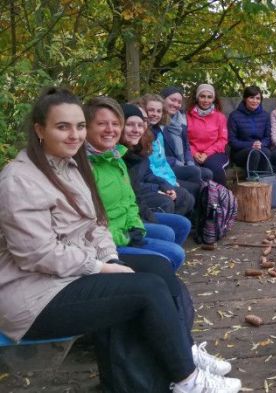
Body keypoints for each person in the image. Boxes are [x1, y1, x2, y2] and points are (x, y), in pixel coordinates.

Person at [0, 88, 241, 393]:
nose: (74, 135)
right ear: (39, 130)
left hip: (73, 271)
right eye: (62, 127)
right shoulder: (20, 179)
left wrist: (111, 259)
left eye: (78, 126)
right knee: (147, 289)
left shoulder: (71, 165)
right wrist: (100, 268)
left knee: (159, 267)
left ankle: (184, 350)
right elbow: (38, 255)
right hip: (34, 294)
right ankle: (187, 380)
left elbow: (97, 223)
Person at [84, 96, 187, 270]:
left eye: (115, 124)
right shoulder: (88, 166)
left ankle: (162, 275)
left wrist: (136, 226)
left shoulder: (117, 157)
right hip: (108, 242)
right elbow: (91, 225)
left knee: (179, 221)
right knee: (171, 248)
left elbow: (131, 199)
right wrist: (129, 234)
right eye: (102, 124)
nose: (110, 129)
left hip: (127, 224)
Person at [120, 103, 193, 246]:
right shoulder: (118, 156)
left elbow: (147, 173)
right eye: (130, 125)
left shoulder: (138, 149)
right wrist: (156, 189)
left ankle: (169, 247)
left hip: (140, 200)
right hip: (130, 211)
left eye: (140, 125)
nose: (136, 130)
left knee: (185, 199)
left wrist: (164, 185)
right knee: (166, 206)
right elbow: (132, 191)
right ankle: (162, 248)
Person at [139, 94, 195, 216]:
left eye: (158, 111)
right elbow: (148, 168)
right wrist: (164, 185)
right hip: (151, 180)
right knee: (184, 196)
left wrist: (172, 180)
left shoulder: (158, 131)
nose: (155, 114)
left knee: (193, 188)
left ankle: (191, 226)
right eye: (151, 110)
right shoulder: (141, 134)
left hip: (161, 176)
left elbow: (162, 161)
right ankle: (175, 225)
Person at [160, 85, 213, 196]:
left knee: (207, 173)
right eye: (172, 100)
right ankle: (197, 208)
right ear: (163, 99)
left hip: (183, 163)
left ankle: (207, 206)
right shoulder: (159, 123)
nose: (176, 104)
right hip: (168, 165)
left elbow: (186, 146)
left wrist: (189, 162)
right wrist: (178, 163)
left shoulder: (181, 121)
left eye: (179, 102)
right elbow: (158, 155)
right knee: (195, 172)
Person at [186, 83, 230, 186]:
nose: (206, 100)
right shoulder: (187, 116)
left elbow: (223, 139)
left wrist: (207, 153)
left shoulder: (220, 117)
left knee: (213, 167)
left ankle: (221, 197)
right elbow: (184, 139)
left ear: (213, 99)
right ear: (197, 98)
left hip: (215, 153)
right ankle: (200, 199)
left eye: (209, 97)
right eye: (202, 96)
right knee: (193, 169)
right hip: (193, 153)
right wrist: (194, 153)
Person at [227, 85, 272, 174]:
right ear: (245, 98)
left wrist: (261, 144)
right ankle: (251, 181)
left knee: (266, 152)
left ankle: (262, 182)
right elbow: (232, 141)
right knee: (254, 153)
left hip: (260, 148)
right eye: (251, 97)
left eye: (258, 98)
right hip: (239, 152)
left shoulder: (265, 115)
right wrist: (251, 145)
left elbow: (268, 137)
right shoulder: (234, 116)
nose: (255, 101)